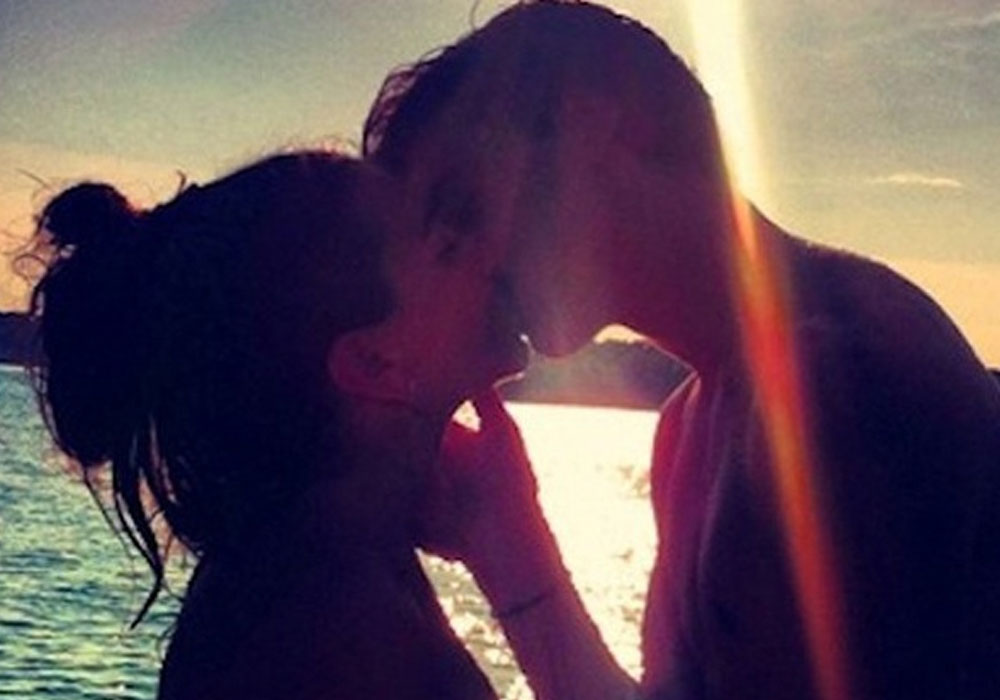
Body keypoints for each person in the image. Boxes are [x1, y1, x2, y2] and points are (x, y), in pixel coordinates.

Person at [364, 2, 1000, 699]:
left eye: (461, 207)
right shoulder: (692, 420)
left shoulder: (842, 385)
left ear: (590, 124)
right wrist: (508, 544)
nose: (469, 269)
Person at [24, 150, 529, 699]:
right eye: (446, 250)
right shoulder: (328, 632)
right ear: (372, 363)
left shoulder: (314, 568)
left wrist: (512, 552)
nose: (487, 249)